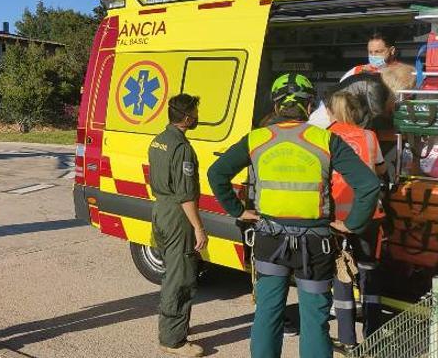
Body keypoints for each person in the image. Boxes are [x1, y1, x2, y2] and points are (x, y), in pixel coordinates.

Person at [207, 73, 381, 358]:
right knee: (315, 319)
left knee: (267, 315)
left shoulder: (257, 138)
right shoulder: (326, 140)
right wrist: (352, 224)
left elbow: (217, 173)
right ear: (309, 104)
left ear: (276, 106)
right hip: (315, 245)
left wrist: (238, 210)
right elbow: (369, 184)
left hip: (269, 240)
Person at [326, 92, 386, 351]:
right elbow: (381, 170)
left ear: (333, 112)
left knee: (342, 274)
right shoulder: (369, 136)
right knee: (369, 273)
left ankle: (348, 339)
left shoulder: (325, 135)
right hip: (369, 216)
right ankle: (373, 335)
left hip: (337, 218)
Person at [147, 94, 206, 357]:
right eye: (195, 112)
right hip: (177, 215)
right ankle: (173, 341)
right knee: (180, 277)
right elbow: (185, 195)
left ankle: (175, 327)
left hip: (160, 210)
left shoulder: (158, 140)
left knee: (172, 270)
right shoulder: (181, 148)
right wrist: (198, 227)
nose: (197, 116)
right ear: (186, 118)